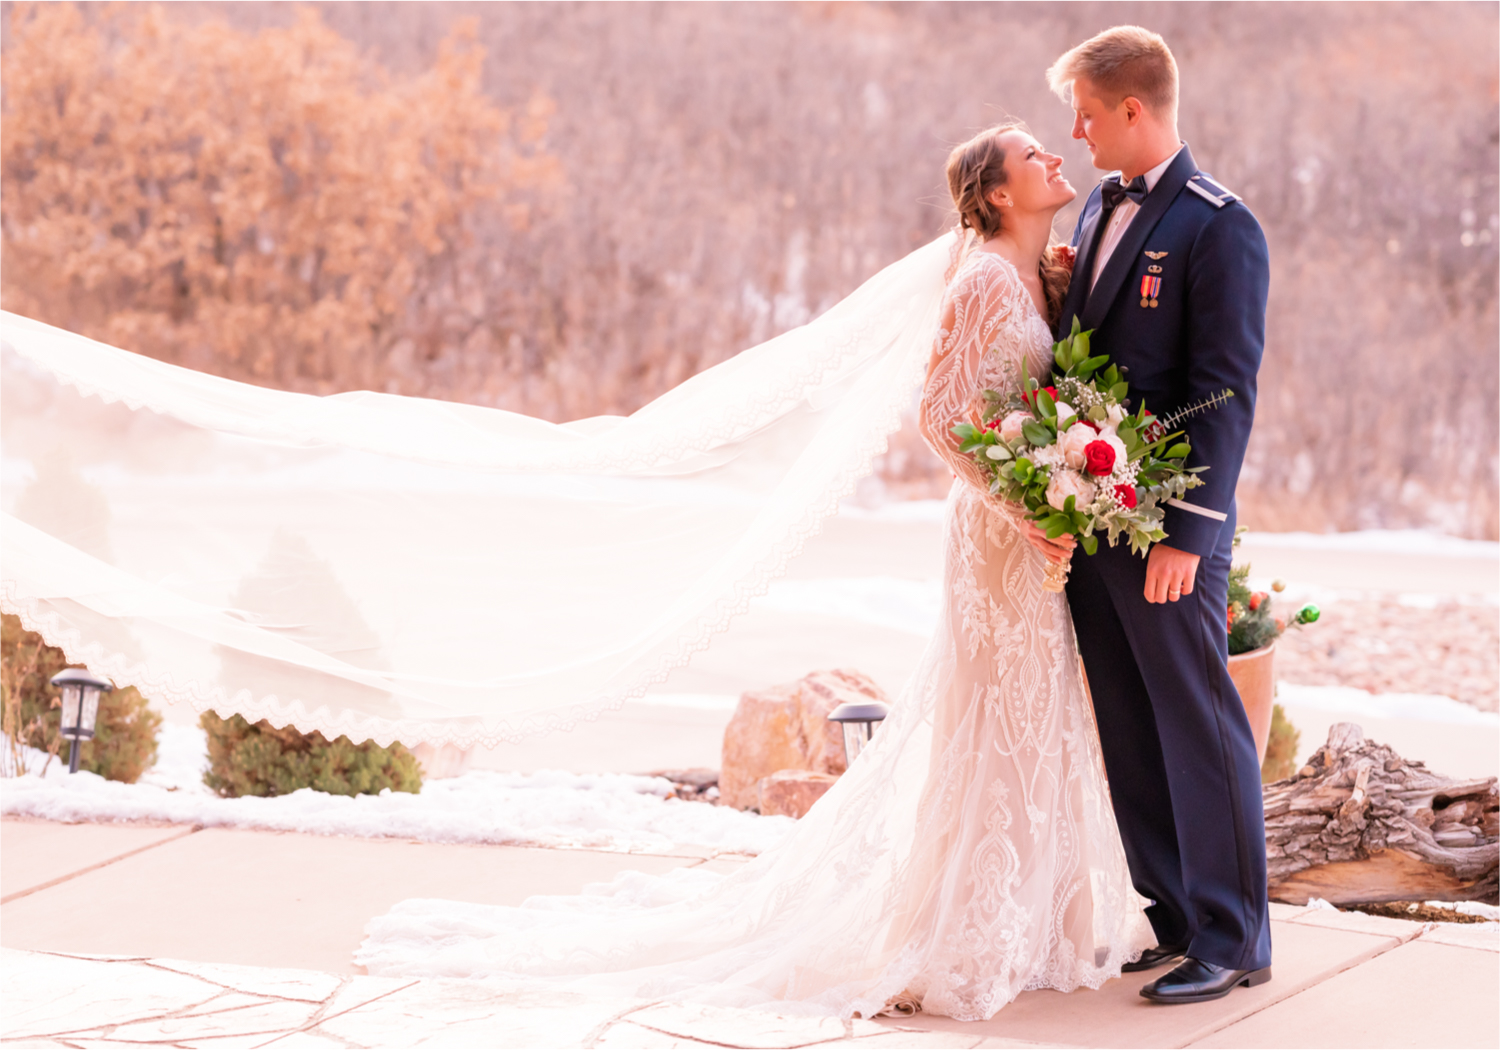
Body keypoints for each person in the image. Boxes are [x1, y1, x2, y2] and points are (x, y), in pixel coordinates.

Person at [353, 122, 1153, 1019]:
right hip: (999, 542)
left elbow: (1029, 406)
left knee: (1033, 716)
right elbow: (939, 417)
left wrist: (1064, 490)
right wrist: (1025, 512)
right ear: (999, 193)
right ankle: (968, 930)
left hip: (1031, 537)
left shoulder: (1038, 274)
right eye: (1032, 154)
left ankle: (1030, 923)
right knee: (996, 718)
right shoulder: (980, 284)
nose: (1054, 158)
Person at [1046, 25, 1274, 1004]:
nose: (1078, 131)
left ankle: (1234, 938)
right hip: (1095, 521)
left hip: (1166, 532)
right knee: (1132, 725)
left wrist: (1187, 531)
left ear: (1133, 109)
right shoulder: (1099, 205)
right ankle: (1177, 917)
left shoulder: (1220, 226)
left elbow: (1223, 393)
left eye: (1088, 114)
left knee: (1196, 722)